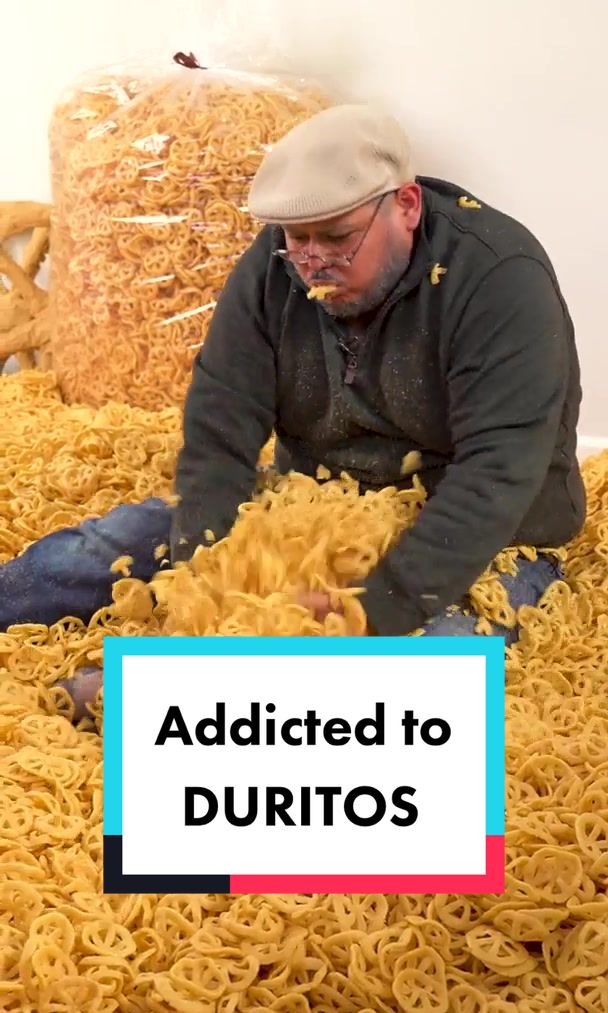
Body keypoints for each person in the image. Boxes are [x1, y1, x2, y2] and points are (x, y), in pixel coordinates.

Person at [0, 103, 586, 709]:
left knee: (429, 665)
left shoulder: (498, 278)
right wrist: (206, 567)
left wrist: (370, 608)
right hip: (316, 502)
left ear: (407, 206)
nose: (313, 261)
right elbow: (221, 417)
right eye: (297, 239)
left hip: (489, 530)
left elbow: (497, 472)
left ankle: (161, 699)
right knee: (117, 541)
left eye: (338, 237)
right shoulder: (278, 263)